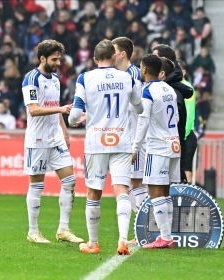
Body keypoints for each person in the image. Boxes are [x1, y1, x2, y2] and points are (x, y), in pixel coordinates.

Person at [68, 39, 143, 255]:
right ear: (113, 57)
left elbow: (74, 114)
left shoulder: (85, 78)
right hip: (121, 140)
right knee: (122, 191)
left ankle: (93, 243)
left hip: (96, 141)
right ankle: (122, 240)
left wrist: (75, 119)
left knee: (94, 192)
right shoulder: (126, 77)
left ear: (94, 59)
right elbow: (138, 107)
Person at [21, 39, 84, 244]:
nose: (58, 62)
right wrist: (60, 109)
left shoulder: (56, 79)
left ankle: (63, 229)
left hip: (55, 137)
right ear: (42, 58)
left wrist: (64, 131)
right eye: (54, 59)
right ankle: (33, 231)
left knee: (70, 181)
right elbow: (33, 110)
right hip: (37, 140)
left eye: (59, 58)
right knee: (37, 185)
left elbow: (55, 105)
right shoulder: (31, 79)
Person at [132, 54, 180, 249]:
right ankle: (166, 236)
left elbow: (142, 121)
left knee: (155, 191)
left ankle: (166, 237)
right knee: (165, 192)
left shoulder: (147, 91)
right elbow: (175, 118)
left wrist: (135, 148)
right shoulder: (169, 89)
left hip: (158, 146)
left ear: (144, 69)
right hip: (173, 144)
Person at [112, 37, 147, 215]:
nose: (111, 54)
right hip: (123, 136)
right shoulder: (118, 75)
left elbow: (140, 107)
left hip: (135, 137)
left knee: (137, 181)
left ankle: (142, 227)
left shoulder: (134, 75)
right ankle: (141, 226)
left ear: (123, 53)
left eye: (114, 51)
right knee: (127, 182)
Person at [152, 44, 193, 182]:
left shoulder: (169, 90)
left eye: (155, 57)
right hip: (172, 143)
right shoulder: (174, 87)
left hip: (167, 144)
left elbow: (176, 121)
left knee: (164, 188)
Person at [177, 59, 197, 183]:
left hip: (185, 136)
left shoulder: (187, 88)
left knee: (185, 171)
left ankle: (186, 199)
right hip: (180, 135)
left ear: (183, 72)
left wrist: (182, 137)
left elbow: (189, 115)